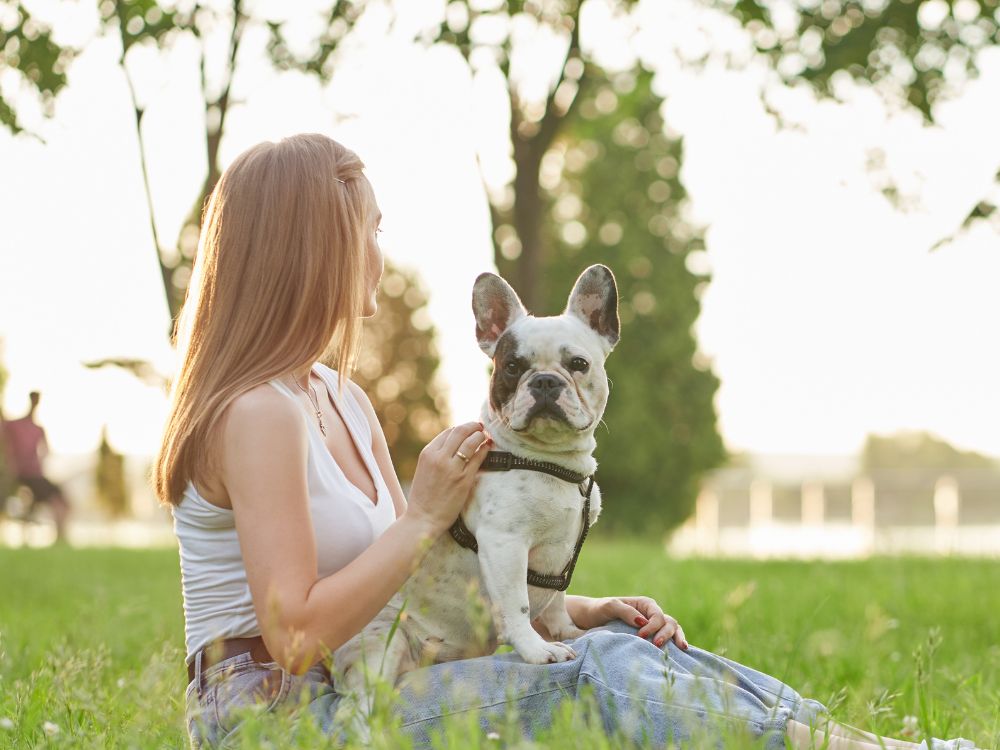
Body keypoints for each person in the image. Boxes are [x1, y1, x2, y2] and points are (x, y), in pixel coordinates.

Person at [153, 134, 978, 750]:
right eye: (369, 229)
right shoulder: (257, 412)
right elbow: (296, 638)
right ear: (318, 243)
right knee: (591, 675)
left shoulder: (339, 398)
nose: (379, 251)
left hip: (371, 675)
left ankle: (847, 741)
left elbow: (412, 601)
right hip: (277, 719)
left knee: (608, 642)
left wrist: (579, 609)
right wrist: (420, 519)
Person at [1, 390, 70, 541]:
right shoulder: (14, 425)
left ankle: (60, 538)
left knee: (61, 501)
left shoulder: (38, 429)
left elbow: (46, 451)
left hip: (35, 474)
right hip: (22, 474)